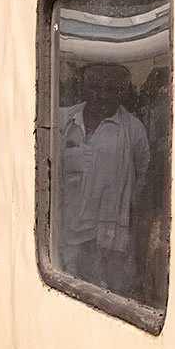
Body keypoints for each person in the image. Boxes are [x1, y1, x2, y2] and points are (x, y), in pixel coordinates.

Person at [55, 63, 151, 295]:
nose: (102, 95)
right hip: (63, 231)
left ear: (122, 93)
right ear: (84, 89)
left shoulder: (133, 130)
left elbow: (143, 175)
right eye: (96, 87)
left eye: (111, 89)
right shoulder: (64, 119)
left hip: (104, 238)